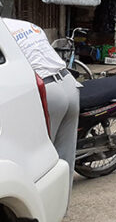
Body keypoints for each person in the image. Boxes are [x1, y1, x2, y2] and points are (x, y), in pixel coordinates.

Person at [2, 18, 79, 206]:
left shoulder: (3, 33)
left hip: (46, 91)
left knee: (39, 162)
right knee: (65, 158)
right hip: (69, 84)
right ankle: (61, 210)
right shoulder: (27, 25)